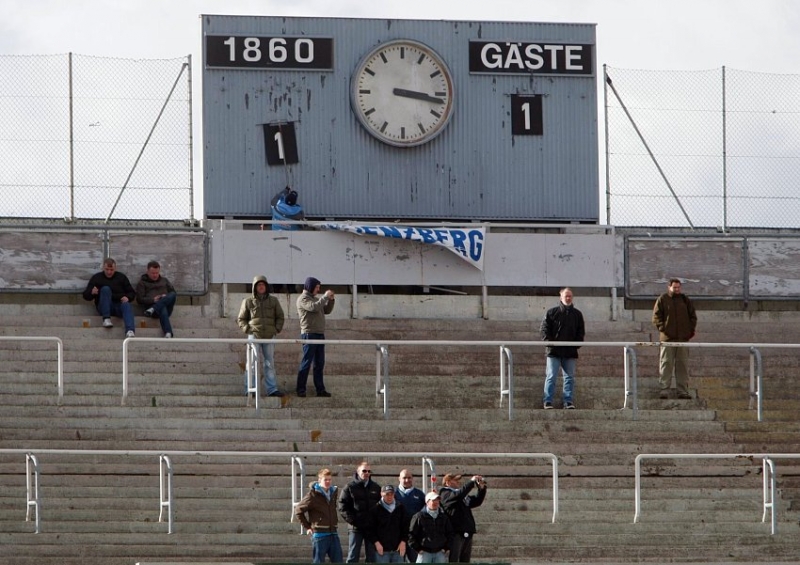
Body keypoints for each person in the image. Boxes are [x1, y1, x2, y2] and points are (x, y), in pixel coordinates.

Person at [237, 275, 285, 397]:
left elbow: (280, 316)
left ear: (266, 286)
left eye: (263, 284)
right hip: (254, 335)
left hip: (269, 336)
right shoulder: (247, 301)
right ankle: (250, 389)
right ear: (255, 287)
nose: (261, 287)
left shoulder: (274, 301)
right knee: (251, 364)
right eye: (259, 285)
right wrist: (248, 330)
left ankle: (272, 389)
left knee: (269, 363)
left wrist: (276, 329)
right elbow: (241, 319)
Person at [540, 287, 585, 410]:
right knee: (551, 376)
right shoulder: (551, 313)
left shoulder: (577, 314)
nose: (568, 298)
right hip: (554, 351)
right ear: (561, 297)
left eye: (570, 296)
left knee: (569, 377)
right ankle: (547, 401)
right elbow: (544, 329)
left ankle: (568, 401)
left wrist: (576, 344)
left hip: (570, 351)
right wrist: (549, 343)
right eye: (566, 296)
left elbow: (580, 332)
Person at [652, 278, 697, 400]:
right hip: (667, 339)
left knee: (682, 365)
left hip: (683, 339)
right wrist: (664, 329)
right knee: (666, 363)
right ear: (669, 287)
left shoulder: (685, 300)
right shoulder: (663, 299)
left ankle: (682, 391)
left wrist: (689, 331)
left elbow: (693, 316)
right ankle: (664, 389)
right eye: (674, 287)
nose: (677, 289)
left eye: (678, 287)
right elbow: (656, 317)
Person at [296, 276, 335, 397]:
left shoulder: (316, 299)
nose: (318, 290)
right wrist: (325, 297)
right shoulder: (303, 299)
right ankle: (301, 389)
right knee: (306, 362)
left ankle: (320, 389)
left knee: (319, 363)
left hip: (319, 334)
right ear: (310, 287)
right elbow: (314, 307)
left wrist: (331, 300)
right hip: (309, 334)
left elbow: (326, 310)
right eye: (317, 287)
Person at [296, 467, 344, 564]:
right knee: (318, 562)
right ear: (319, 480)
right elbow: (298, 510)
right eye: (325, 480)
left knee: (338, 561)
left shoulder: (333, 492)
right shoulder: (312, 495)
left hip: (333, 533)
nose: (328, 482)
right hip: (320, 535)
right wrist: (308, 526)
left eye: (329, 479)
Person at [82, 257, 136, 338]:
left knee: (127, 305)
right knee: (105, 289)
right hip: (103, 306)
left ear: (115, 268)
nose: (109, 272)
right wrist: (92, 293)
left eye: (111, 270)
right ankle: (106, 319)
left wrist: (128, 297)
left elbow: (132, 292)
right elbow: (86, 295)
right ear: (103, 268)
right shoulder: (97, 278)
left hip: (118, 305)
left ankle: (130, 330)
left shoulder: (121, 277)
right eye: (107, 269)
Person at [438, 474, 487, 563]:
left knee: (465, 560)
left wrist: (481, 489)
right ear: (448, 482)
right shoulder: (444, 492)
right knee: (454, 559)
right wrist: (471, 482)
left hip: (467, 530)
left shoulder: (462, 495)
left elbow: (476, 501)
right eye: (455, 480)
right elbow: (458, 495)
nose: (458, 482)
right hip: (455, 532)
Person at [339, 461, 382, 563]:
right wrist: (353, 521)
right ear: (358, 471)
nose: (367, 473)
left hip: (371, 528)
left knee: (372, 557)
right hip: (356, 528)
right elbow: (342, 506)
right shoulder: (349, 487)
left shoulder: (376, 487)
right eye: (364, 471)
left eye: (369, 471)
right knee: (353, 556)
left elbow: (380, 506)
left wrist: (376, 521)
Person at [364, 485, 408, 563]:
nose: (389, 496)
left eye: (391, 494)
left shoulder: (401, 508)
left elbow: (406, 527)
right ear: (381, 494)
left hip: (398, 550)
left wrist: (403, 541)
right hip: (381, 550)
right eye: (387, 494)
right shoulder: (375, 509)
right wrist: (376, 543)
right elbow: (370, 529)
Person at [135, 260, 177, 338]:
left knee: (172, 295)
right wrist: (153, 300)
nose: (155, 275)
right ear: (147, 272)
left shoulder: (164, 280)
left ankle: (154, 308)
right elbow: (139, 299)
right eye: (153, 273)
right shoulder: (142, 283)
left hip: (165, 306)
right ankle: (168, 332)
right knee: (162, 308)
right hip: (152, 307)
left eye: (157, 273)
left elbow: (173, 292)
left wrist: (165, 296)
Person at [408, 492, 453, 564]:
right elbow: (411, 534)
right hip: (424, 553)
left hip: (440, 553)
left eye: (437, 500)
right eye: (433, 500)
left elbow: (450, 533)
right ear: (427, 502)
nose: (436, 502)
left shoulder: (444, 517)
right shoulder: (419, 516)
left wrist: (447, 547)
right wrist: (417, 548)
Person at [395, 470, 426, 563]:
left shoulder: (420, 494)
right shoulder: (393, 494)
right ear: (399, 479)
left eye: (409, 478)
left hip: (414, 535)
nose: (407, 480)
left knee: (415, 561)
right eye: (404, 478)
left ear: (412, 479)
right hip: (398, 535)